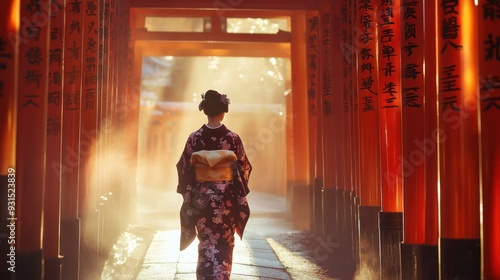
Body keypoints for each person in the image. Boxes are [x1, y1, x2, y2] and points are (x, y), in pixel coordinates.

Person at [176, 89, 252, 279]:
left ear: (206, 111)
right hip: (226, 200)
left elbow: (184, 167)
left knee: (206, 241)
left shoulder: (194, 138)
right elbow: (243, 166)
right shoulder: (232, 138)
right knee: (224, 242)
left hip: (201, 199)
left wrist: (190, 193)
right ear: (223, 112)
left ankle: (205, 275)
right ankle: (221, 275)